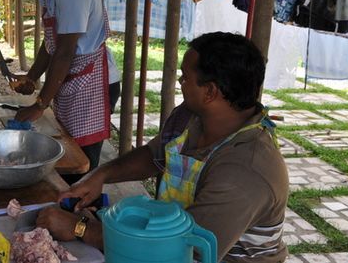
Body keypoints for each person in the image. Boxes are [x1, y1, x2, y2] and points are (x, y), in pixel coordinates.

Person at [36, 32, 289, 263]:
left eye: (185, 77)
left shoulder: (245, 170)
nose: (180, 81)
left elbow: (181, 251)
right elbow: (155, 155)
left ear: (210, 92)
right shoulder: (192, 118)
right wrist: (100, 176)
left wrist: (81, 228)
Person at [12, 0, 111, 179]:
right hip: (72, 77)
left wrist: (40, 104)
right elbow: (52, 41)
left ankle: (81, 218)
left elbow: (66, 51)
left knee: (81, 169)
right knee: (66, 152)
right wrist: (32, 77)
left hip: (93, 83)